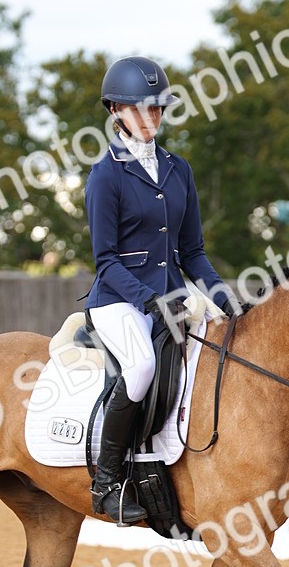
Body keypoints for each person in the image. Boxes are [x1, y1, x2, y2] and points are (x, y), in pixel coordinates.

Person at [84, 55, 243, 525]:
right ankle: (107, 482)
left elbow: (192, 251)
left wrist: (221, 295)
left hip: (174, 297)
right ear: (115, 110)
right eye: (140, 109)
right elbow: (105, 260)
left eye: (157, 109)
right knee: (141, 367)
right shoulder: (105, 174)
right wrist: (147, 299)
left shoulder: (179, 170)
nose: (151, 118)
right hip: (119, 302)